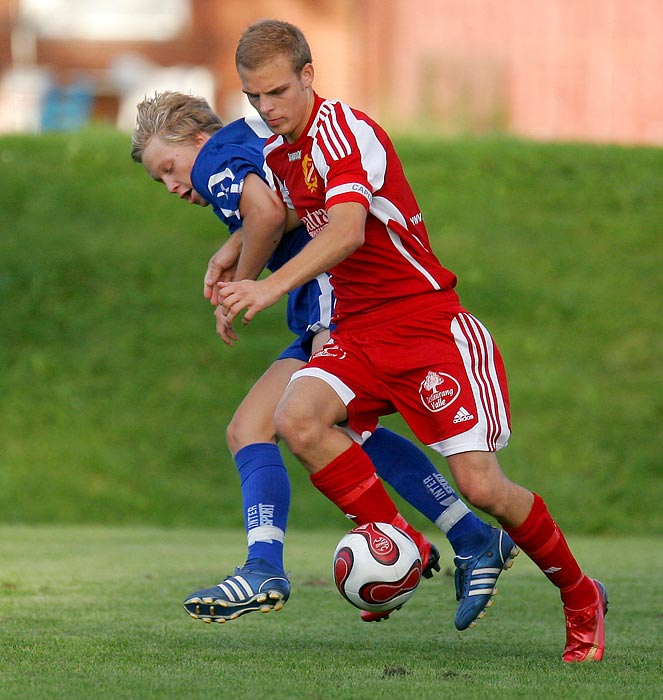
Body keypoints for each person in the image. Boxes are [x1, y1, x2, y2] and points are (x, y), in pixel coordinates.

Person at [218, 19, 608, 662]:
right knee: (298, 419)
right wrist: (228, 261)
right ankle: (396, 536)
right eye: (253, 98)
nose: (265, 109)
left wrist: (265, 288)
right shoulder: (279, 154)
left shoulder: (348, 131)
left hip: (425, 325)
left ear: (309, 76)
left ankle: (579, 592)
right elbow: (283, 213)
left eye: (277, 93)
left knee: (484, 489)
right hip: (357, 332)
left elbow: (344, 231)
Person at [131, 91, 517, 628]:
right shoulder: (254, 138)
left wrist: (244, 280)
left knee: (318, 424)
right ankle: (450, 537)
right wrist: (235, 246)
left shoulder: (217, 158)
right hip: (331, 302)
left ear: (199, 139)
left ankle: (402, 541)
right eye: (160, 180)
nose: (172, 185)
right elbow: (290, 205)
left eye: (170, 168)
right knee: (251, 429)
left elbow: (267, 211)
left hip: (339, 304)